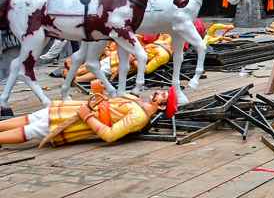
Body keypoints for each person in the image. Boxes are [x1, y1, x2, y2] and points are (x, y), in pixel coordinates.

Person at [0, 82, 173, 146]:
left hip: (76, 123)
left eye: (163, 95)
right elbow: (106, 104)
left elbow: (110, 135)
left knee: (30, 131)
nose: (159, 92)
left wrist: (87, 116)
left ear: (162, 107)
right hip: (71, 109)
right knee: (29, 118)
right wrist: (98, 93)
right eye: (162, 91)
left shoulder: (139, 117)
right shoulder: (136, 100)